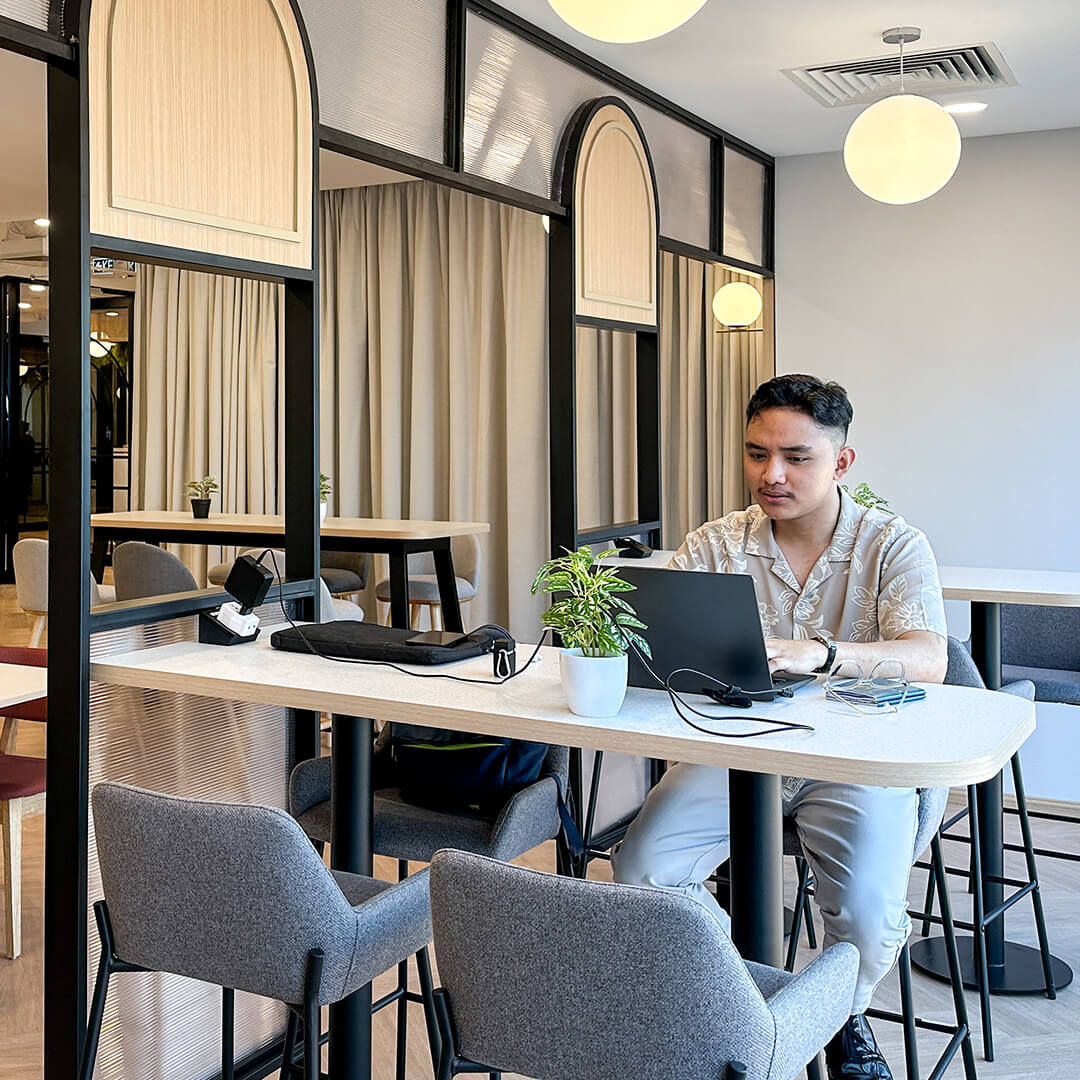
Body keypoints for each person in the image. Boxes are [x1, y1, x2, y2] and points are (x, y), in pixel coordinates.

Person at [612, 374, 947, 1080]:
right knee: (640, 870)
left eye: (797, 457)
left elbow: (929, 658)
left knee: (866, 915)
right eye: (757, 453)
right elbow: (657, 645)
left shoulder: (891, 544)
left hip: (855, 759)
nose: (772, 474)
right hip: (732, 753)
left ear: (842, 462)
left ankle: (840, 1018)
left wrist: (819, 653)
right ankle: (739, 1002)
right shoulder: (716, 543)